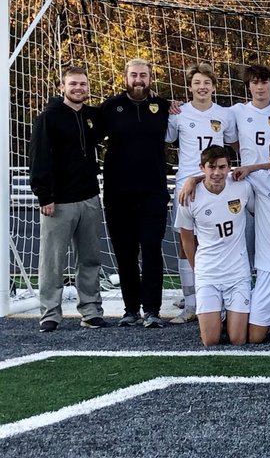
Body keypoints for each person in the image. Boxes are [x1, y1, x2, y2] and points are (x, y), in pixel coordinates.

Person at [181, 136, 270, 343]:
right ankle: (233, 318)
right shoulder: (255, 181)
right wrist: (193, 179)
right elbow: (220, 175)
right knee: (246, 339)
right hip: (263, 270)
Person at [30, 66, 106, 333]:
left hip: (89, 198)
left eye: (83, 84)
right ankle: (50, 313)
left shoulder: (93, 116)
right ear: (62, 87)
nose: (78, 88)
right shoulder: (48, 118)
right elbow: (39, 158)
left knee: (90, 259)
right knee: (53, 261)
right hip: (59, 201)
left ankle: (91, 311)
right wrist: (44, 195)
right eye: (73, 84)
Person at [98, 58, 172, 328]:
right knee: (125, 252)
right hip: (118, 194)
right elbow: (88, 135)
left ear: (150, 78)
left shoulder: (163, 106)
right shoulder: (110, 107)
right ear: (125, 78)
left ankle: (152, 310)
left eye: (143, 75)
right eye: (134, 75)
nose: (138, 80)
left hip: (153, 192)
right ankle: (130, 309)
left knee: (152, 249)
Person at [165, 63, 239, 324]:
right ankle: (190, 302)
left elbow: (234, 144)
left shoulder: (225, 114)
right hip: (187, 184)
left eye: (207, 83)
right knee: (187, 242)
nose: (202, 87)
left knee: (218, 238)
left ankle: (218, 294)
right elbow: (167, 139)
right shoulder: (179, 113)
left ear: (214, 87)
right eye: (197, 82)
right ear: (190, 87)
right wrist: (168, 107)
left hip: (217, 183)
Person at [175, 146, 253, 346]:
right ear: (202, 168)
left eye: (222, 167)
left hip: (237, 273)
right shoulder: (189, 196)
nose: (217, 172)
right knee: (210, 341)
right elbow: (186, 239)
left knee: (238, 339)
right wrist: (198, 270)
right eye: (211, 167)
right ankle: (219, 315)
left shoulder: (242, 187)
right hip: (208, 274)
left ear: (229, 167)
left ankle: (230, 316)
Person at [231, 65, 270, 270]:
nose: (260, 87)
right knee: (245, 237)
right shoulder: (237, 111)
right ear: (248, 86)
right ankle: (246, 281)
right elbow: (231, 140)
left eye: (264, 82)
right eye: (255, 82)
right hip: (247, 183)